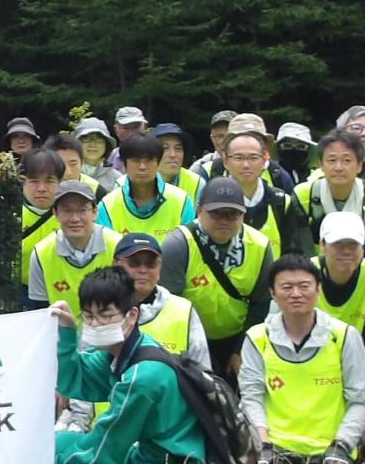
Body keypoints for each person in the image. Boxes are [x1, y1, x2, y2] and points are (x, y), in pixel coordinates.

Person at [47, 267, 213, 464]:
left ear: (132, 315)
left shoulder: (143, 377)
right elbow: (78, 380)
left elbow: (104, 452)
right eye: (89, 316)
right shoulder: (122, 352)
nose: (97, 325)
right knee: (54, 444)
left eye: (107, 316)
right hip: (146, 462)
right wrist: (66, 333)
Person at [239, 255, 365, 464]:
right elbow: (251, 396)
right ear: (272, 293)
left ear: (318, 290)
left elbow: (362, 399)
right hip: (277, 447)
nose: (296, 294)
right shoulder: (258, 337)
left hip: (330, 447)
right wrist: (263, 443)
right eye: (286, 287)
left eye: (304, 286)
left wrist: (342, 445)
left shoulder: (343, 336)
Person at [156, 177, 277, 380]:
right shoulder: (178, 245)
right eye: (216, 214)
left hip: (238, 337)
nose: (223, 221)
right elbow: (169, 306)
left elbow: (261, 304)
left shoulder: (260, 246)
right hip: (189, 340)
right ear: (199, 210)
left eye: (232, 215)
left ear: (243, 215)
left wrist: (241, 351)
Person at [312, 212, 365, 404]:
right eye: (337, 244)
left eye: (353, 245)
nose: (346, 251)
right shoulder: (306, 273)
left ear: (363, 249)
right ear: (323, 246)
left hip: (360, 354)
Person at [95, 232, 208, 359]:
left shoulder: (184, 310)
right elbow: (84, 366)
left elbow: (201, 371)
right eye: (134, 263)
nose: (143, 270)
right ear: (115, 265)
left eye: (151, 263)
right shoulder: (98, 307)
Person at [25, 179, 124, 321]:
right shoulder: (41, 253)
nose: (75, 218)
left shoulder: (117, 246)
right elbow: (39, 312)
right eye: (67, 210)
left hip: (108, 336)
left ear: (95, 212)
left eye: (82, 210)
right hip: (61, 338)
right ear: (55, 213)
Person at [293, 131, 365, 263]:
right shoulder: (302, 196)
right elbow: (304, 251)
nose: (338, 167)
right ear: (321, 165)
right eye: (332, 160)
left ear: (359, 165)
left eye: (346, 160)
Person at [98, 131, 195, 242]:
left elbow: (190, 249)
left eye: (149, 160)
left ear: (158, 163)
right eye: (136, 160)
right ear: (125, 164)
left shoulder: (182, 202)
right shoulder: (107, 205)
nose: (142, 167)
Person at [220, 128, 300, 254]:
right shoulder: (214, 201)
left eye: (253, 158)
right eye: (238, 158)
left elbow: (293, 253)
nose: (246, 165)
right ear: (225, 160)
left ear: (265, 160)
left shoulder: (281, 201)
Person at [17, 149, 65, 287]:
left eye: (49, 181)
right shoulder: (10, 215)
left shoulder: (70, 216)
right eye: (34, 181)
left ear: (60, 182)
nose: (41, 188)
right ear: (23, 182)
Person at [152, 123, 203, 205]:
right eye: (165, 148)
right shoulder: (139, 180)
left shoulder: (197, 183)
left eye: (178, 148)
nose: (173, 154)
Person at [74, 117, 120, 193]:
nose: (92, 144)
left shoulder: (117, 179)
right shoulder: (67, 174)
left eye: (99, 139)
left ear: (107, 144)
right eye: (86, 138)